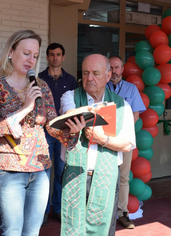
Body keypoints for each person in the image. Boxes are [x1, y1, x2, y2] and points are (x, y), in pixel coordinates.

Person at [0, 30, 76, 236]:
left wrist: (72, 129)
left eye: (35, 55)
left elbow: (51, 124)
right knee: (12, 232)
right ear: (10, 52)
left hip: (40, 169)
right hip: (9, 170)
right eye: (26, 53)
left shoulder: (42, 86)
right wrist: (25, 107)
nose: (31, 60)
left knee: (32, 232)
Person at [58, 54, 136, 236]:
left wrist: (103, 140)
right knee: (73, 224)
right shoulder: (70, 96)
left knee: (104, 228)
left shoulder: (121, 106)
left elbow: (127, 144)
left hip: (107, 177)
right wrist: (77, 118)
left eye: (95, 73)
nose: (89, 78)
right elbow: (70, 112)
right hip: (76, 173)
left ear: (108, 76)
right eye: (85, 73)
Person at [38, 43, 78, 225]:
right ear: (47, 57)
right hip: (43, 132)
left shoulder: (71, 80)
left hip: (62, 133)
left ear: (63, 57)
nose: (55, 57)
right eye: (52, 54)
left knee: (61, 172)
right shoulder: (39, 78)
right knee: (44, 173)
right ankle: (43, 210)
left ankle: (58, 208)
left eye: (58, 54)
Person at [106, 55, 146, 229]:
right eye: (111, 68)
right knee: (105, 176)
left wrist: (121, 132)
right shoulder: (101, 87)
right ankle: (105, 214)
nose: (114, 71)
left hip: (124, 140)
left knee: (123, 177)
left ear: (122, 69)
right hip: (104, 140)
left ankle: (122, 213)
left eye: (117, 68)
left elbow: (136, 115)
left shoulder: (131, 89)